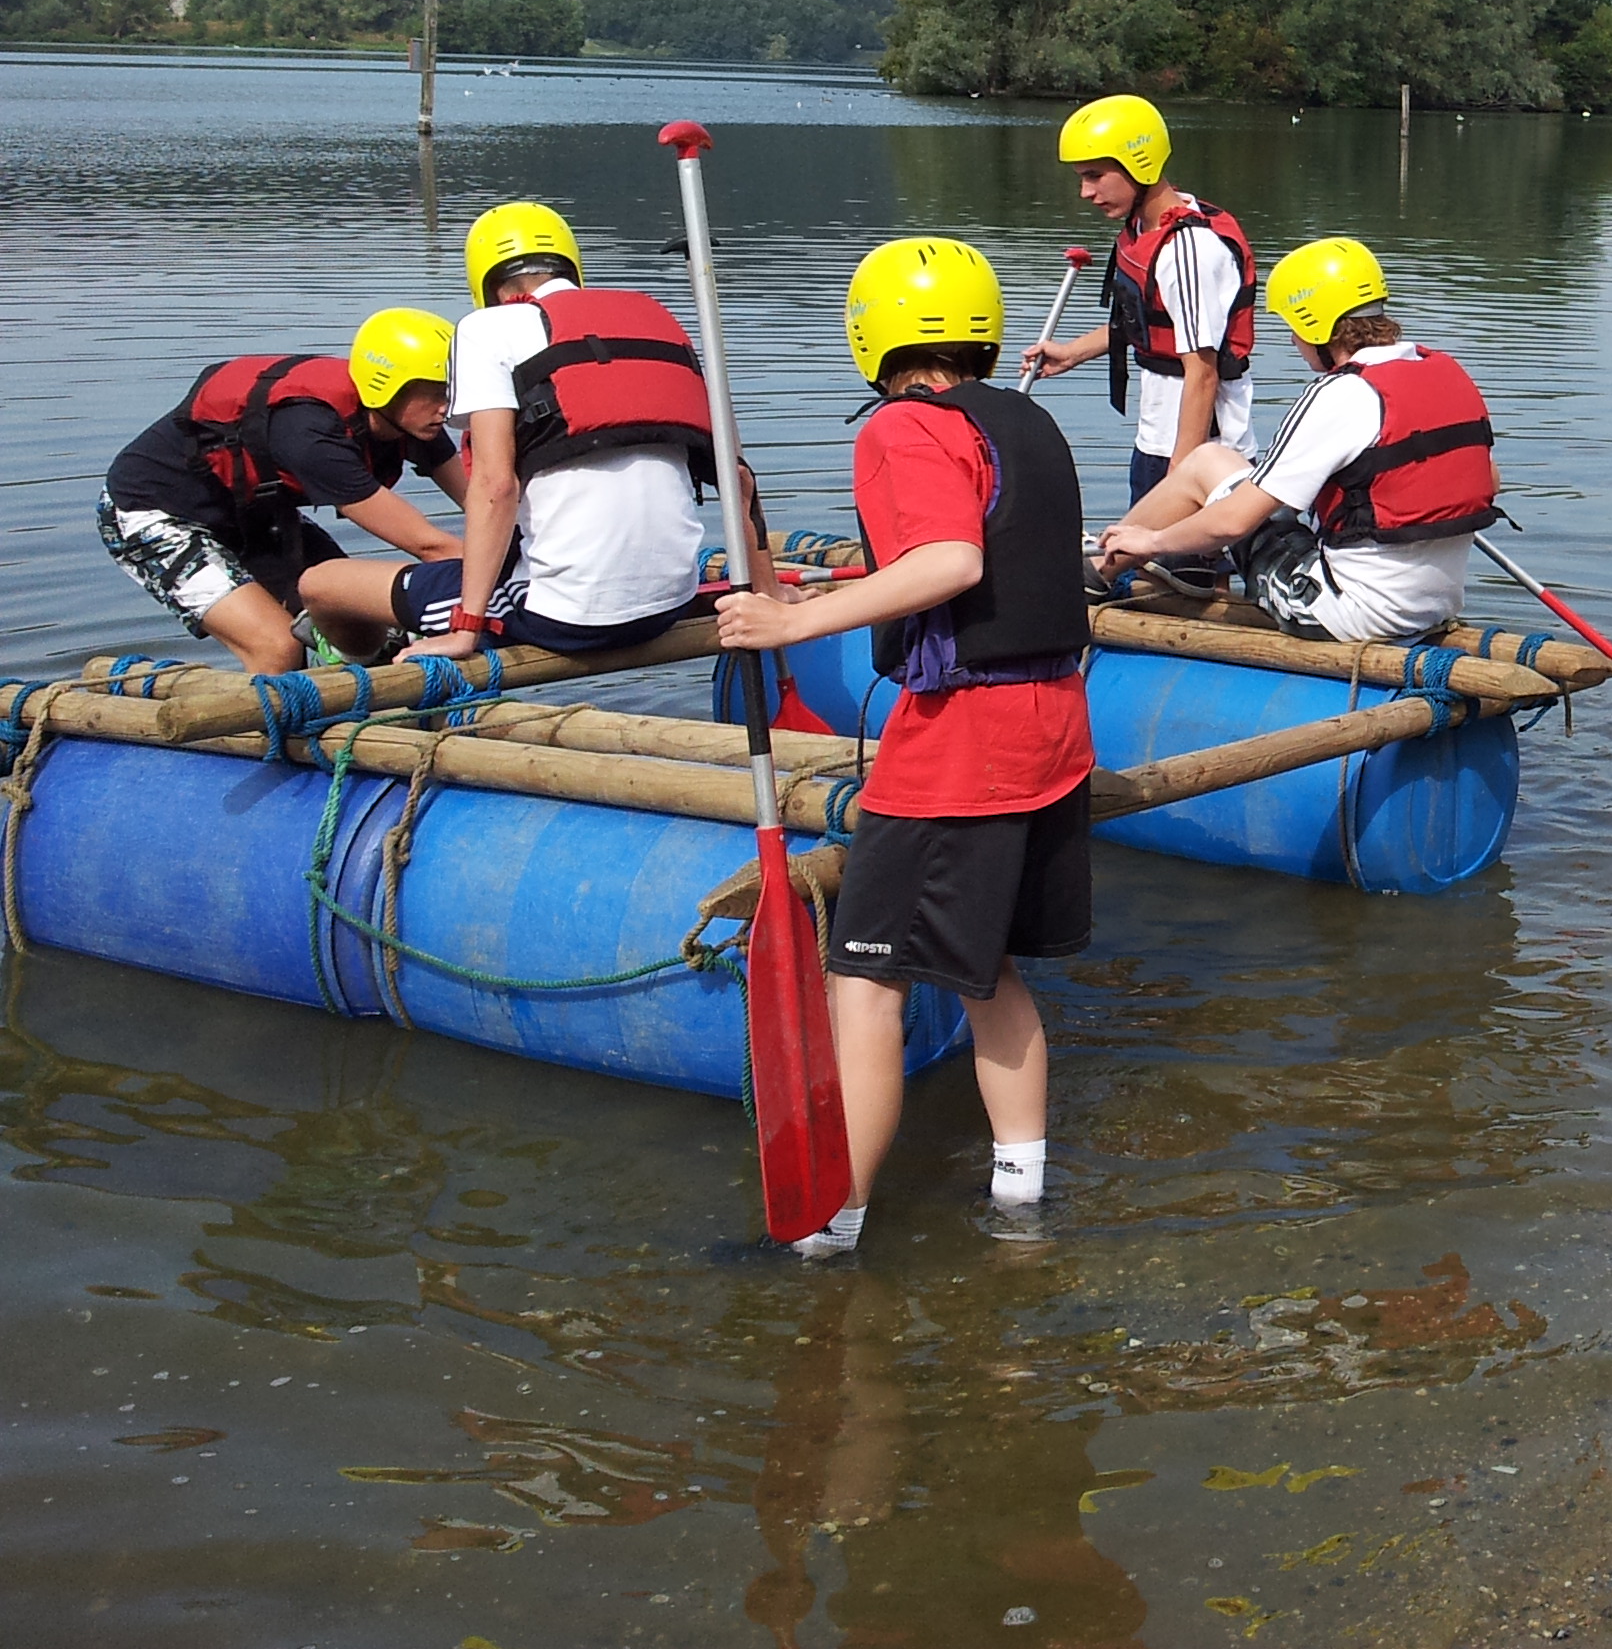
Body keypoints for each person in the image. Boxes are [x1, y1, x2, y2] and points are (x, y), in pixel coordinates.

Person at [717, 237, 1093, 1257]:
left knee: (866, 980)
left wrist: (792, 625)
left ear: (871, 335)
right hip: (1055, 727)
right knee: (985, 972)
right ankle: (1021, 1195)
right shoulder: (1024, 420)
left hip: (964, 748)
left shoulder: (901, 428)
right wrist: (806, 590)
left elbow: (950, 559)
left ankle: (832, 1224)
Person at [1094, 236, 1503, 641]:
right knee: (1230, 467)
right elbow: (1488, 481)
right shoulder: (1446, 373)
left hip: (1349, 614)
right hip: (1436, 605)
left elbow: (1234, 522)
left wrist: (1153, 541)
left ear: (1316, 324)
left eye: (1293, 327)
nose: (1293, 340)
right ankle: (1116, 567)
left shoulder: (1342, 393)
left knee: (1204, 462)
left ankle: (1093, 574)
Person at [397, 201, 720, 661]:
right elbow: (737, 475)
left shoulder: (484, 329)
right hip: (671, 602)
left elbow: (495, 486)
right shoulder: (656, 319)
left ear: (490, 285)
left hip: (568, 618)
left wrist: (466, 629)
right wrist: (768, 591)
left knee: (333, 585)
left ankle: (357, 659)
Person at [99, 309, 470, 672]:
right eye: (436, 392)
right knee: (277, 647)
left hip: (256, 516)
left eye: (450, 391)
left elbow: (482, 501)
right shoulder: (311, 434)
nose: (447, 407)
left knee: (374, 632)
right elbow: (429, 545)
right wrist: (511, 596)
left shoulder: (414, 421)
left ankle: (352, 706)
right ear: (386, 387)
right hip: (153, 512)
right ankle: (270, 732)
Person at [1023, 94, 1257, 504]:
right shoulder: (1145, 229)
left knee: (1169, 569)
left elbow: (1202, 374)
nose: (1085, 192)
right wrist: (1073, 353)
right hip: (1158, 440)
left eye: (1095, 175)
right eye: (1081, 177)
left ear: (1140, 164)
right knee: (1144, 564)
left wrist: (1181, 479)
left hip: (1197, 451)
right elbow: (1147, 321)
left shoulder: (1188, 251)